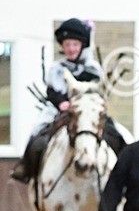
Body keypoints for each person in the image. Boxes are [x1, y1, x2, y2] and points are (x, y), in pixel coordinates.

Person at [10, 18, 125, 183]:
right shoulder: (56, 70)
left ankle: (124, 173)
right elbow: (51, 91)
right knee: (37, 137)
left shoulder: (93, 69)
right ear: (63, 47)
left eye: (75, 45)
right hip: (62, 112)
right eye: (67, 45)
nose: (71, 49)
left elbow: (98, 92)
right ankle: (27, 169)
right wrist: (61, 102)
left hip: (88, 112)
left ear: (81, 46)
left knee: (117, 134)